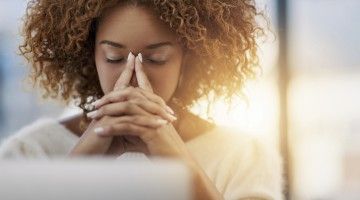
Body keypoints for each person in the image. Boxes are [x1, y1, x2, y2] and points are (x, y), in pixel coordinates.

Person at [0, 0, 283, 199]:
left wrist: (181, 164)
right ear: (90, 56)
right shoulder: (29, 152)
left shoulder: (243, 156)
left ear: (189, 58)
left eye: (156, 59)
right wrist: (81, 163)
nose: (133, 77)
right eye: (114, 57)